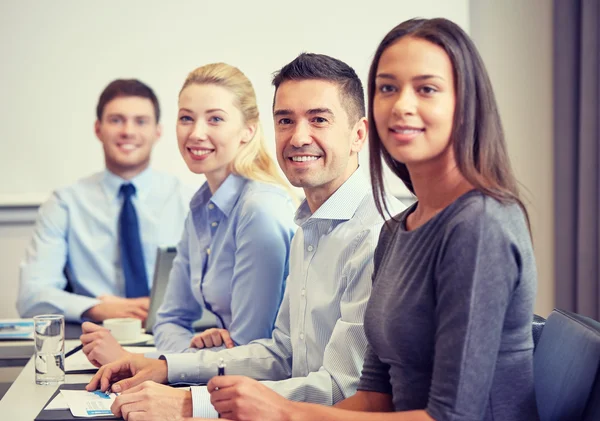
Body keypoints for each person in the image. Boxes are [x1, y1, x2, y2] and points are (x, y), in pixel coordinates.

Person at [204, 17, 540, 421]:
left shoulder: (480, 225)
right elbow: (373, 398)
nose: (401, 105)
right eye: (388, 88)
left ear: (465, 104)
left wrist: (284, 413)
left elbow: (453, 418)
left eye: (426, 89)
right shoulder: (398, 230)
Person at [86, 53, 406, 419]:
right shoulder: (309, 226)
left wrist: (192, 404)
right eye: (286, 120)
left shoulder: (377, 232)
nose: (299, 136)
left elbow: (339, 388)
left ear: (358, 134)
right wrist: (165, 367)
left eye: (319, 119)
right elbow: (282, 354)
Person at [79, 63, 297, 367]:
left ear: (248, 129)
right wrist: (193, 355)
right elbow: (169, 319)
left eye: (215, 119)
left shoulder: (259, 210)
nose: (196, 133)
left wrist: (150, 362)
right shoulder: (201, 206)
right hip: (223, 378)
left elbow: (251, 351)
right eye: (186, 118)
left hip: (264, 392)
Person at [17, 79, 193, 323]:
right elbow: (31, 295)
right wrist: (96, 308)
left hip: (175, 335)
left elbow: (216, 289)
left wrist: (161, 307)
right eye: (116, 120)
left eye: (140, 121)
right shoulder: (65, 203)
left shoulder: (189, 199)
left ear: (158, 132)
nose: (128, 131)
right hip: (94, 337)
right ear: (98, 129)